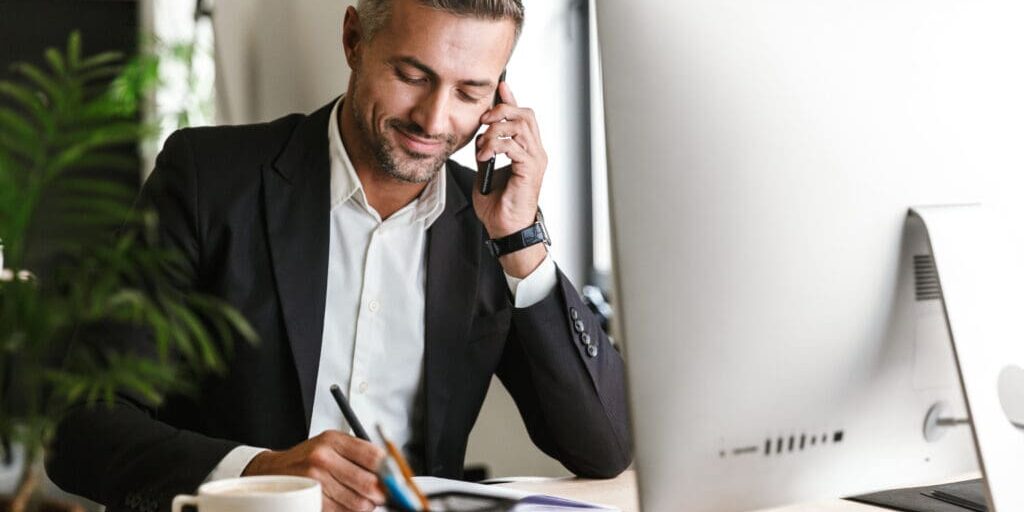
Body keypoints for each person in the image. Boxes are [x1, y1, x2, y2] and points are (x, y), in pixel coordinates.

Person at [46, 1, 631, 511]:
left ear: (500, 92)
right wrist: (260, 473)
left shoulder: (488, 223)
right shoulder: (208, 179)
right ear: (354, 39)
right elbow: (80, 430)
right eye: (412, 74)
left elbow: (603, 446)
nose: (434, 119)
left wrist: (521, 242)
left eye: (470, 91)